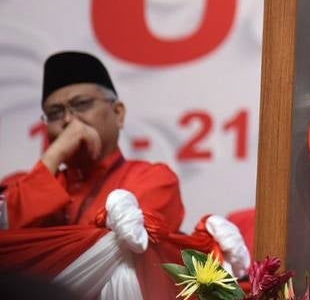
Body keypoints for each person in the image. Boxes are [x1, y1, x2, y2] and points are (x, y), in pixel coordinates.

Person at [1, 51, 184, 231]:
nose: (68, 120)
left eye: (82, 104)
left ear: (118, 113)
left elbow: (128, 243)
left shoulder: (153, 180)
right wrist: (53, 156)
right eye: (54, 113)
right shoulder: (17, 186)